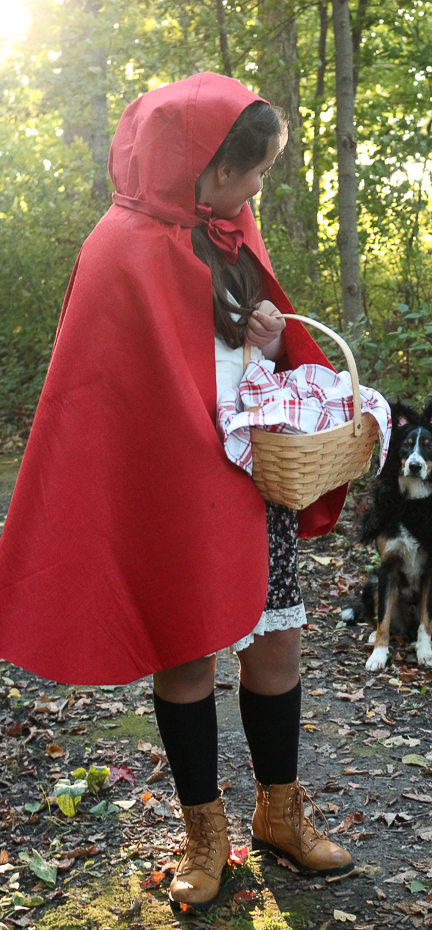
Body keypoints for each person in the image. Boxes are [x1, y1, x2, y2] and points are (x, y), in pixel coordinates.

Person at [0, 72, 352, 910]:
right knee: (186, 654)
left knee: (274, 648)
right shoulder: (119, 247)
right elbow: (111, 396)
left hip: (247, 476)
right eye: (256, 171)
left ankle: (280, 814)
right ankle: (204, 833)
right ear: (208, 166)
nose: (260, 187)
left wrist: (269, 338)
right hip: (172, 486)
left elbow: (249, 345)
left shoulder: (228, 224)